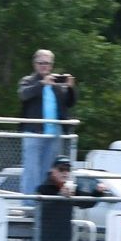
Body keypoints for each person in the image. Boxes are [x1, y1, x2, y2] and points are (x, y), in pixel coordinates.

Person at [34, 156, 104, 241]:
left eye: (67, 170)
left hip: (63, 236)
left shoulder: (70, 188)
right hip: (46, 238)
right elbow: (44, 207)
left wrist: (97, 192)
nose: (65, 173)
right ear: (53, 171)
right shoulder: (43, 188)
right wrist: (60, 195)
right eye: (61, 169)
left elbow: (85, 203)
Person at [17, 48, 77, 195]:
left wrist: (70, 88)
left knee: (49, 172)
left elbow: (69, 103)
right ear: (35, 64)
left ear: (52, 65)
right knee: (31, 170)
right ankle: (29, 206)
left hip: (53, 134)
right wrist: (42, 84)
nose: (45, 66)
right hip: (34, 133)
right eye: (41, 63)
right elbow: (23, 95)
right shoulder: (28, 81)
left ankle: (43, 204)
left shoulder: (56, 85)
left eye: (48, 63)